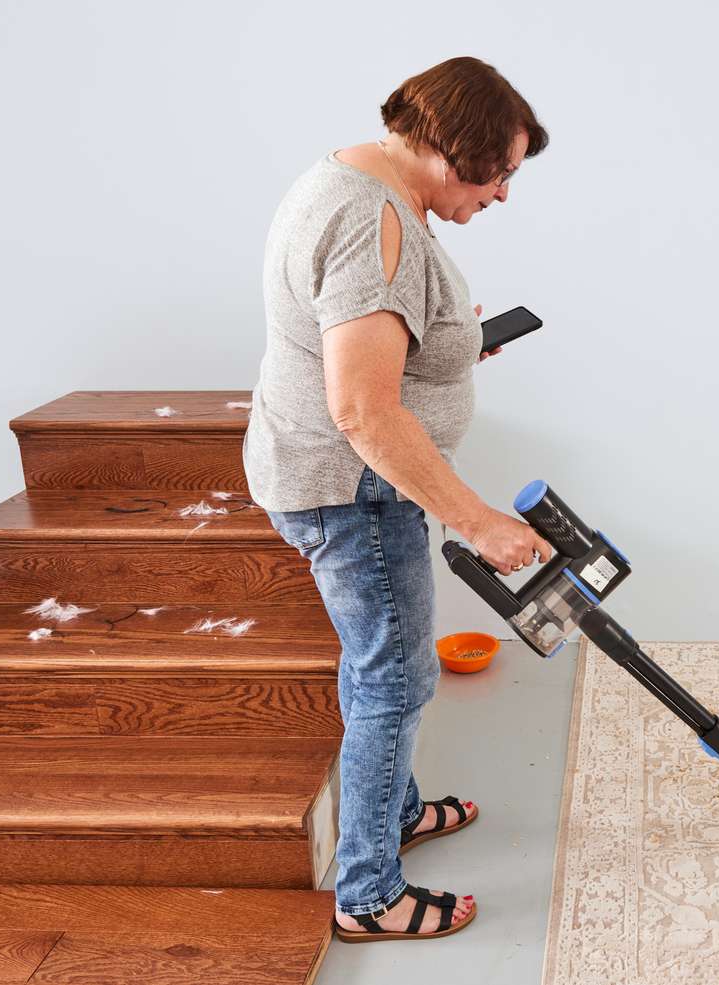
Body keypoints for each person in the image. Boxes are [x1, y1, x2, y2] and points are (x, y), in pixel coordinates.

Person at [243, 56, 555, 943]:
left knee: (375, 661)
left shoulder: (351, 179)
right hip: (354, 493)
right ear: (456, 151)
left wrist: (451, 349)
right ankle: (369, 893)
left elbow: (372, 344)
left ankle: (396, 808)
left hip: (340, 481)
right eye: (502, 172)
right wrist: (479, 519)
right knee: (395, 677)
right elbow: (361, 409)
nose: (502, 196)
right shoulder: (368, 222)